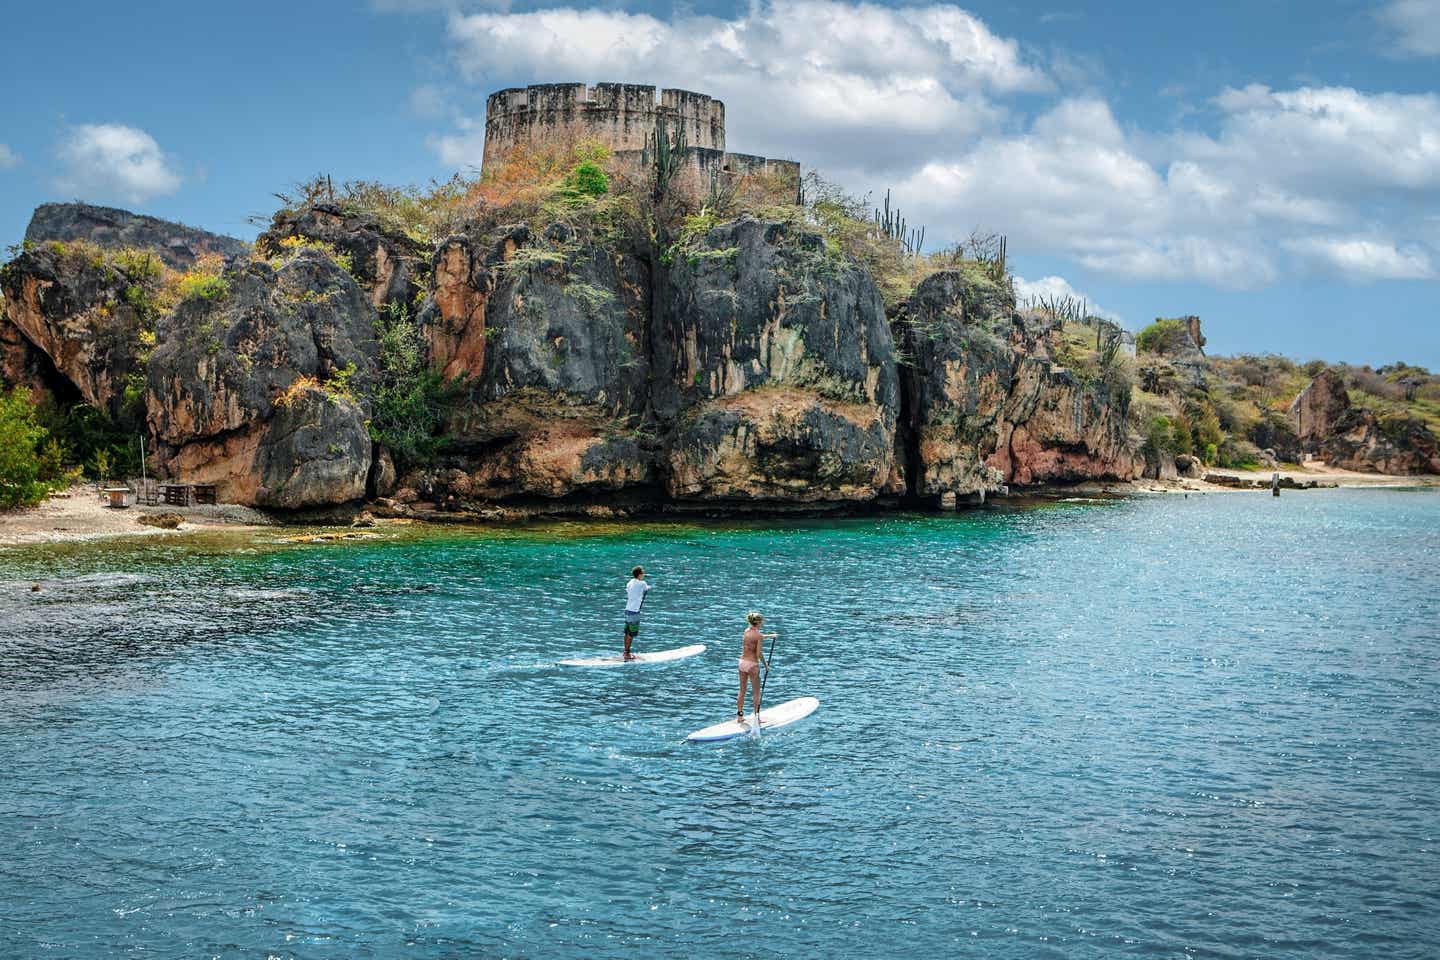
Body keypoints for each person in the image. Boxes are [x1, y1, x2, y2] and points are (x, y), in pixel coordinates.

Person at [736, 611, 775, 723]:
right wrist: (765, 665)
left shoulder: (746, 631)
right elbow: (758, 654)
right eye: (761, 621)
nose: (763, 622)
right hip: (752, 664)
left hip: (742, 663)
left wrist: (769, 636)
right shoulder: (758, 635)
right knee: (756, 692)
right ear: (758, 622)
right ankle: (756, 718)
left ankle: (739, 716)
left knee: (742, 690)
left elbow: (759, 636)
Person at [622, 566, 651, 661]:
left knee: (627, 632)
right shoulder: (642, 583)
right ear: (640, 574)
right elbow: (646, 588)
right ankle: (627, 653)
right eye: (643, 573)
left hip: (627, 609)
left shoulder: (629, 582)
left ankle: (625, 651)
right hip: (634, 611)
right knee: (631, 633)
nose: (643, 575)